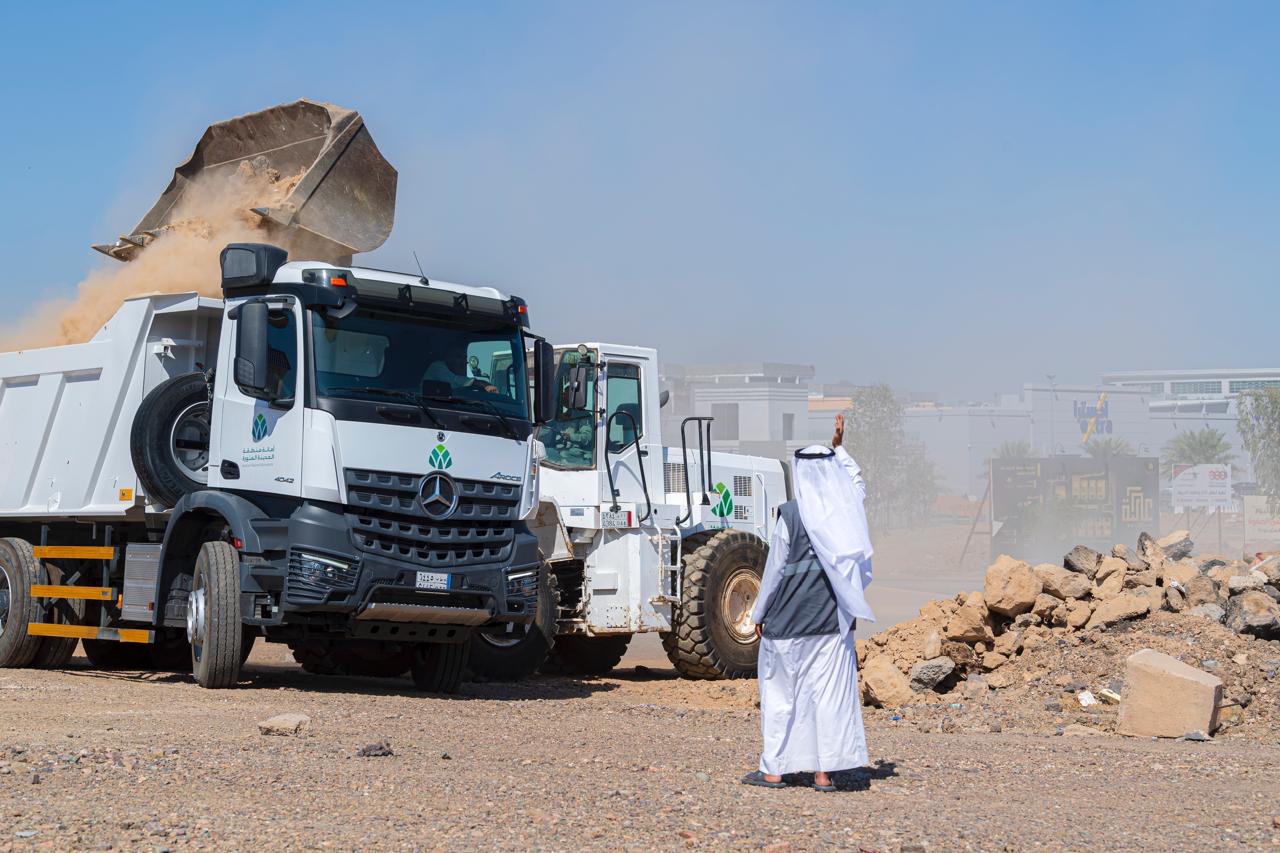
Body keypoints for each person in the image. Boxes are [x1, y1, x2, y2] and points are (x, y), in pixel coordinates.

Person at [741, 413, 875, 792]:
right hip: (831, 627)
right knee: (828, 699)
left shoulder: (791, 516)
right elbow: (858, 487)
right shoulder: (846, 514)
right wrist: (840, 450)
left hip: (786, 627)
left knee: (782, 696)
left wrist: (759, 613)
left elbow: (774, 572)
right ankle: (823, 775)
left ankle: (774, 772)